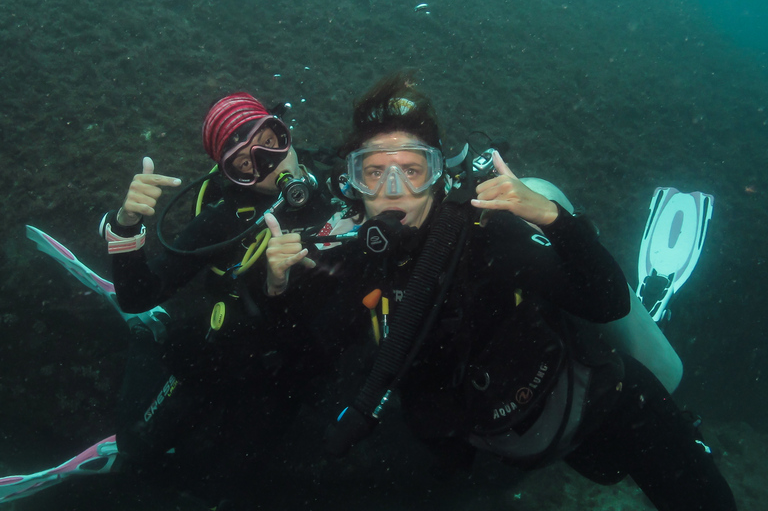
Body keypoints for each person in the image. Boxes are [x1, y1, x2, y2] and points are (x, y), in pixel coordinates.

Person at [266, 73, 737, 510]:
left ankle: (653, 309)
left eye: (412, 170)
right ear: (352, 184)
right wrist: (277, 285)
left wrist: (554, 218)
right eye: (374, 172)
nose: (394, 190)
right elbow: (307, 359)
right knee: (603, 472)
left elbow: (606, 303)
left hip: (609, 406)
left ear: (439, 176)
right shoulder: (355, 262)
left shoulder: (488, 238)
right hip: (512, 445)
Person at [0, 92, 344, 508]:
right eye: (246, 163)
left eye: (270, 141)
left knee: (237, 486)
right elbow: (137, 294)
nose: (270, 165)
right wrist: (126, 226)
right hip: (229, 354)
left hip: (298, 362)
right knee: (139, 451)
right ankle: (152, 334)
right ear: (231, 175)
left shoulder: (340, 184)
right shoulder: (222, 222)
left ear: (285, 130)